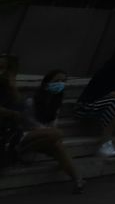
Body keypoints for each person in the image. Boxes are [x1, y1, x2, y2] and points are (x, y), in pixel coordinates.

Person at [0, 57, 83, 192]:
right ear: (46, 83)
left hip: (41, 137)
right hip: (23, 134)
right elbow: (26, 121)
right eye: (57, 81)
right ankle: (18, 150)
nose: (60, 84)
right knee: (57, 134)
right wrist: (46, 130)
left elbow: (53, 123)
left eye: (63, 81)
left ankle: (78, 180)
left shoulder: (55, 103)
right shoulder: (32, 101)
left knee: (57, 145)